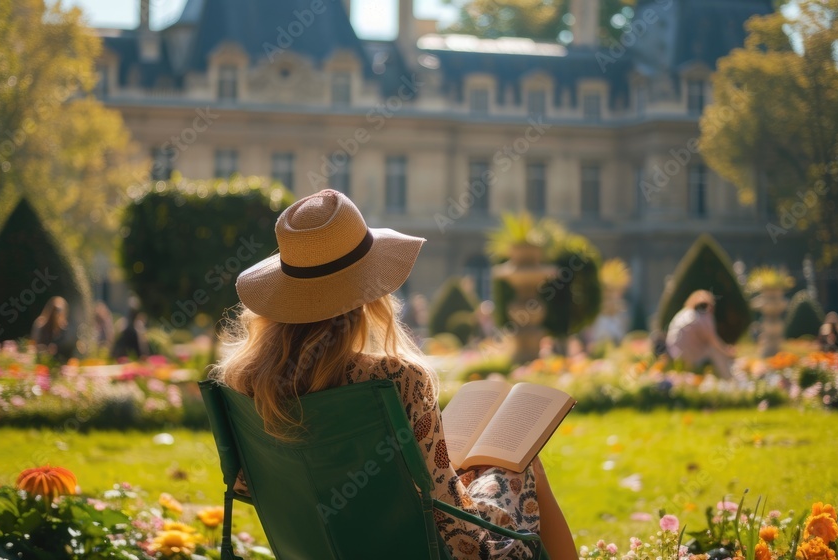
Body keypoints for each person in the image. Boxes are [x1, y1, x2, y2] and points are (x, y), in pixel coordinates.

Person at [214, 189, 577, 560]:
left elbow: (245, 485)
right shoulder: (396, 377)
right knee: (522, 464)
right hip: (426, 549)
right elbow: (445, 508)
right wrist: (462, 475)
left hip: (317, 547)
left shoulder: (244, 381)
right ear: (367, 291)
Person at [665, 290, 735, 379]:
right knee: (715, 350)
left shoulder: (684, 313)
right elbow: (713, 341)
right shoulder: (704, 317)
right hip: (689, 357)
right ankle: (729, 380)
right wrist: (728, 352)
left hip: (674, 354)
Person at [31, 296, 72, 361]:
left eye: (60, 311)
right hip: (42, 361)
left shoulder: (64, 329)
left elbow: (67, 347)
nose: (57, 314)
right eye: (56, 310)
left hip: (59, 363)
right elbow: (34, 344)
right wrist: (46, 349)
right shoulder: (41, 325)